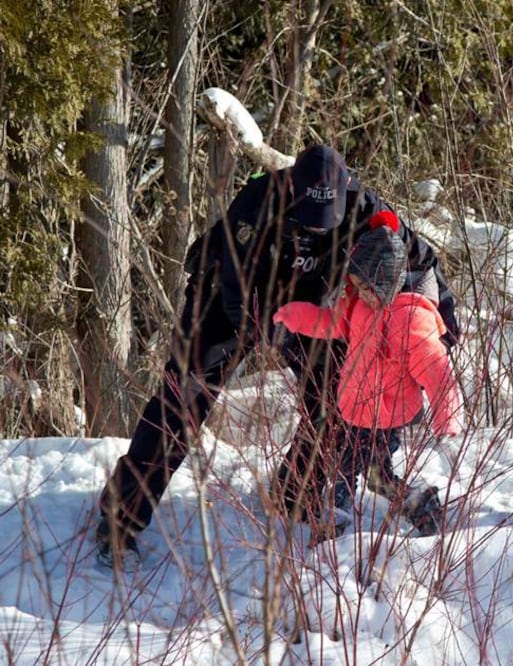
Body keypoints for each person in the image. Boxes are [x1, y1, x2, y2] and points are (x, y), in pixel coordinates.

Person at [95, 144, 458, 569]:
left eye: (327, 225)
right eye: (308, 223)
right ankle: (121, 519)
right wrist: (269, 331)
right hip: (226, 301)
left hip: (309, 306)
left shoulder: (366, 207)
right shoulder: (256, 203)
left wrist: (443, 330)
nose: (318, 232)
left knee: (339, 397)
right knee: (181, 402)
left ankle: (296, 493)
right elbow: (234, 294)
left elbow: (422, 261)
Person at [272, 211, 463, 538]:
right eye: (356, 286)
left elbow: (437, 370)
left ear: (386, 281)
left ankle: (337, 527)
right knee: (375, 475)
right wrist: (293, 315)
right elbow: (329, 323)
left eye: (366, 287)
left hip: (386, 413)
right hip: (355, 408)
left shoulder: (410, 320)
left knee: (346, 471)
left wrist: (448, 420)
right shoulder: (360, 306)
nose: (360, 294)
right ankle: (420, 504)